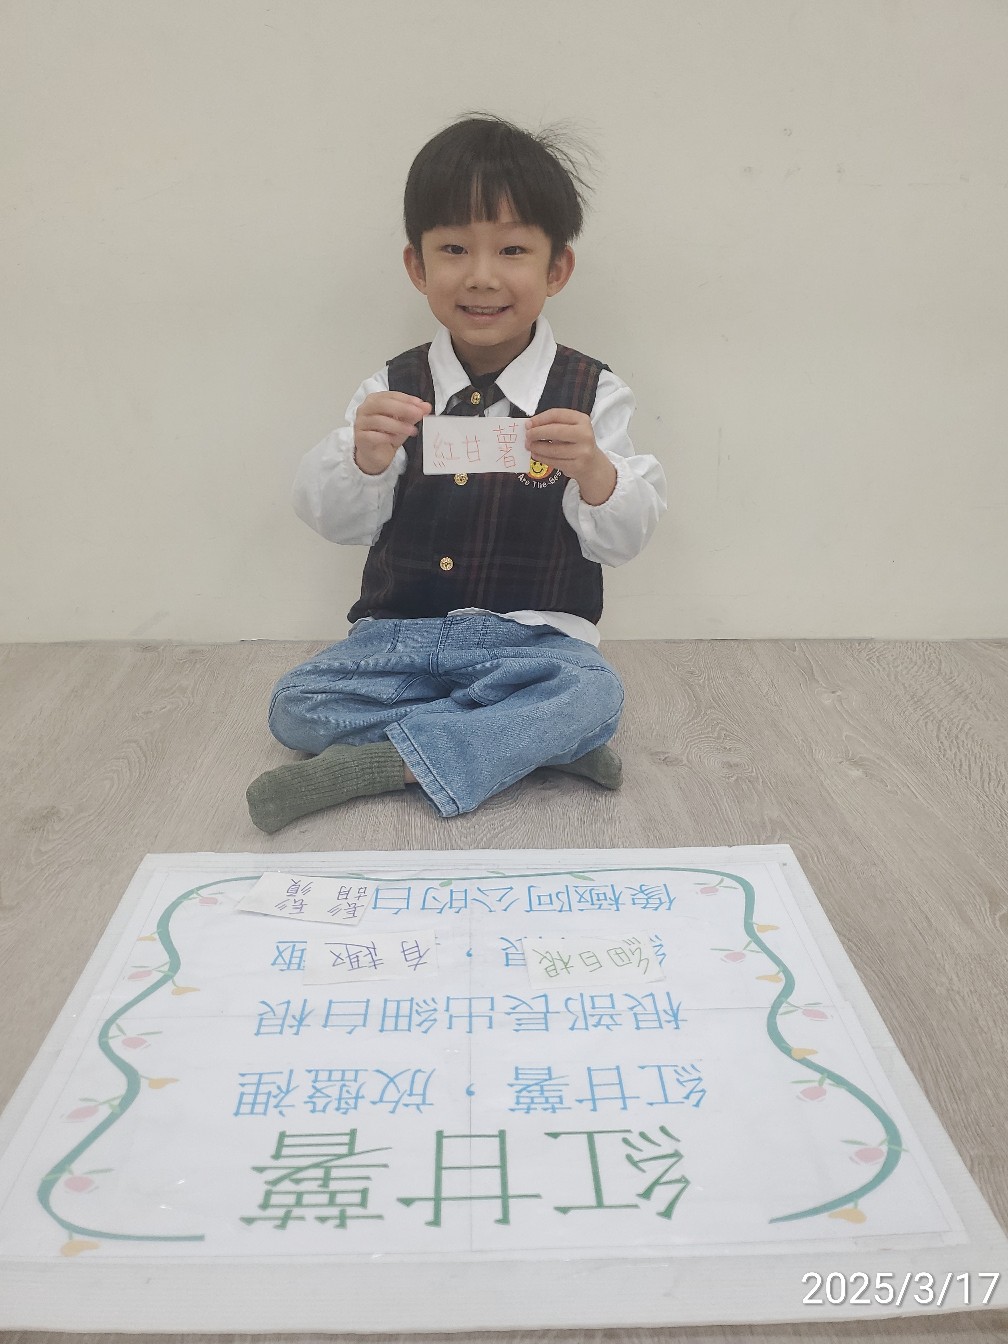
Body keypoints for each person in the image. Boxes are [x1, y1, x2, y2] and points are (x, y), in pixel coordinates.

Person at [246, 113, 667, 832]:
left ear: (556, 269)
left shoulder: (592, 394)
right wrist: (363, 458)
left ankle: (389, 762)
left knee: (592, 695)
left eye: (512, 249)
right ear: (417, 266)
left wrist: (596, 472)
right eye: (453, 249)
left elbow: (624, 540)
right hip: (399, 638)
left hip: (534, 643)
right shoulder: (391, 387)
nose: (481, 276)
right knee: (296, 705)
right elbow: (335, 522)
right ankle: (524, 744)